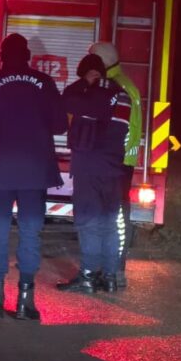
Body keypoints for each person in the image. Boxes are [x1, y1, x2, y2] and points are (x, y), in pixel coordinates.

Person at [0, 34, 68, 320]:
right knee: (30, 234)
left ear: (1, 55)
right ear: (27, 57)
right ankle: (25, 303)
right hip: (35, 172)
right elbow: (60, 126)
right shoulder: (45, 84)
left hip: (0, 171)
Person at [56, 55, 132, 294]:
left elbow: (65, 102)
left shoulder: (87, 95)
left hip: (89, 167)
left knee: (88, 222)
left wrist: (86, 83)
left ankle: (87, 276)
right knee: (109, 223)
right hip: (114, 168)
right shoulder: (122, 95)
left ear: (87, 72)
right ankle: (109, 277)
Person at [88, 41, 140, 290]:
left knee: (116, 218)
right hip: (121, 160)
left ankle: (115, 271)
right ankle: (110, 269)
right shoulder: (124, 82)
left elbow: (121, 127)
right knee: (114, 217)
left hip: (117, 161)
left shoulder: (115, 86)